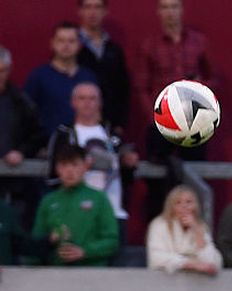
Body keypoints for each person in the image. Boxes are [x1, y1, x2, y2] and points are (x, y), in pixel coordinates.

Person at [134, 0, 216, 217]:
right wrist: (154, 118)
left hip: (194, 120)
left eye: (174, 7)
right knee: (159, 182)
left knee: (194, 179)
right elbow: (141, 86)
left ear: (182, 10)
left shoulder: (199, 43)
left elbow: (212, 78)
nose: (170, 13)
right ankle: (159, 232)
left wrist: (201, 92)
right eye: (165, 7)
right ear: (158, 12)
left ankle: (194, 233)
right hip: (162, 122)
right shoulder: (149, 45)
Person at [48, 82, 137, 245]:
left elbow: (126, 178)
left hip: (114, 210)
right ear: (73, 102)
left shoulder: (112, 133)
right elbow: (53, 178)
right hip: (78, 212)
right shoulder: (64, 133)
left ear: (100, 102)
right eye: (82, 98)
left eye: (92, 98)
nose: (87, 103)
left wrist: (128, 164)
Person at [29, 144, 117, 266]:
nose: (69, 171)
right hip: (54, 274)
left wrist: (85, 251)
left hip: (92, 274)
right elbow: (35, 242)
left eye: (75, 165)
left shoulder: (98, 199)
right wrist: (49, 240)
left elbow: (112, 240)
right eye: (64, 165)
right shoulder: (48, 201)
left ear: (86, 166)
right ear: (57, 168)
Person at [23, 22, 98, 135]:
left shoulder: (89, 77)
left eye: (71, 41)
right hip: (48, 145)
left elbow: (97, 112)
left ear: (79, 45)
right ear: (52, 43)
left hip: (83, 144)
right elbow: (27, 115)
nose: (66, 45)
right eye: (61, 40)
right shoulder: (39, 76)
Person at [0, 46, 48, 213]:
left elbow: (39, 134)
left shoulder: (21, 102)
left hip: (15, 185)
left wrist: (22, 152)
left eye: (3, 71)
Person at [76, 0, 130, 134]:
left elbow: (122, 88)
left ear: (104, 12)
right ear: (80, 11)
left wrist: (120, 122)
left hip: (109, 123)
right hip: (78, 123)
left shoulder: (114, 50)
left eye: (97, 7)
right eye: (88, 7)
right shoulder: (72, 47)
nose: (92, 12)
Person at [147, 184, 222, 275]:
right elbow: (156, 257)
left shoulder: (201, 226)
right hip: (165, 280)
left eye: (189, 202)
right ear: (171, 207)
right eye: (178, 203)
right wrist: (188, 264)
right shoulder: (159, 225)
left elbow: (212, 261)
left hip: (196, 282)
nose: (184, 207)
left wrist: (196, 231)